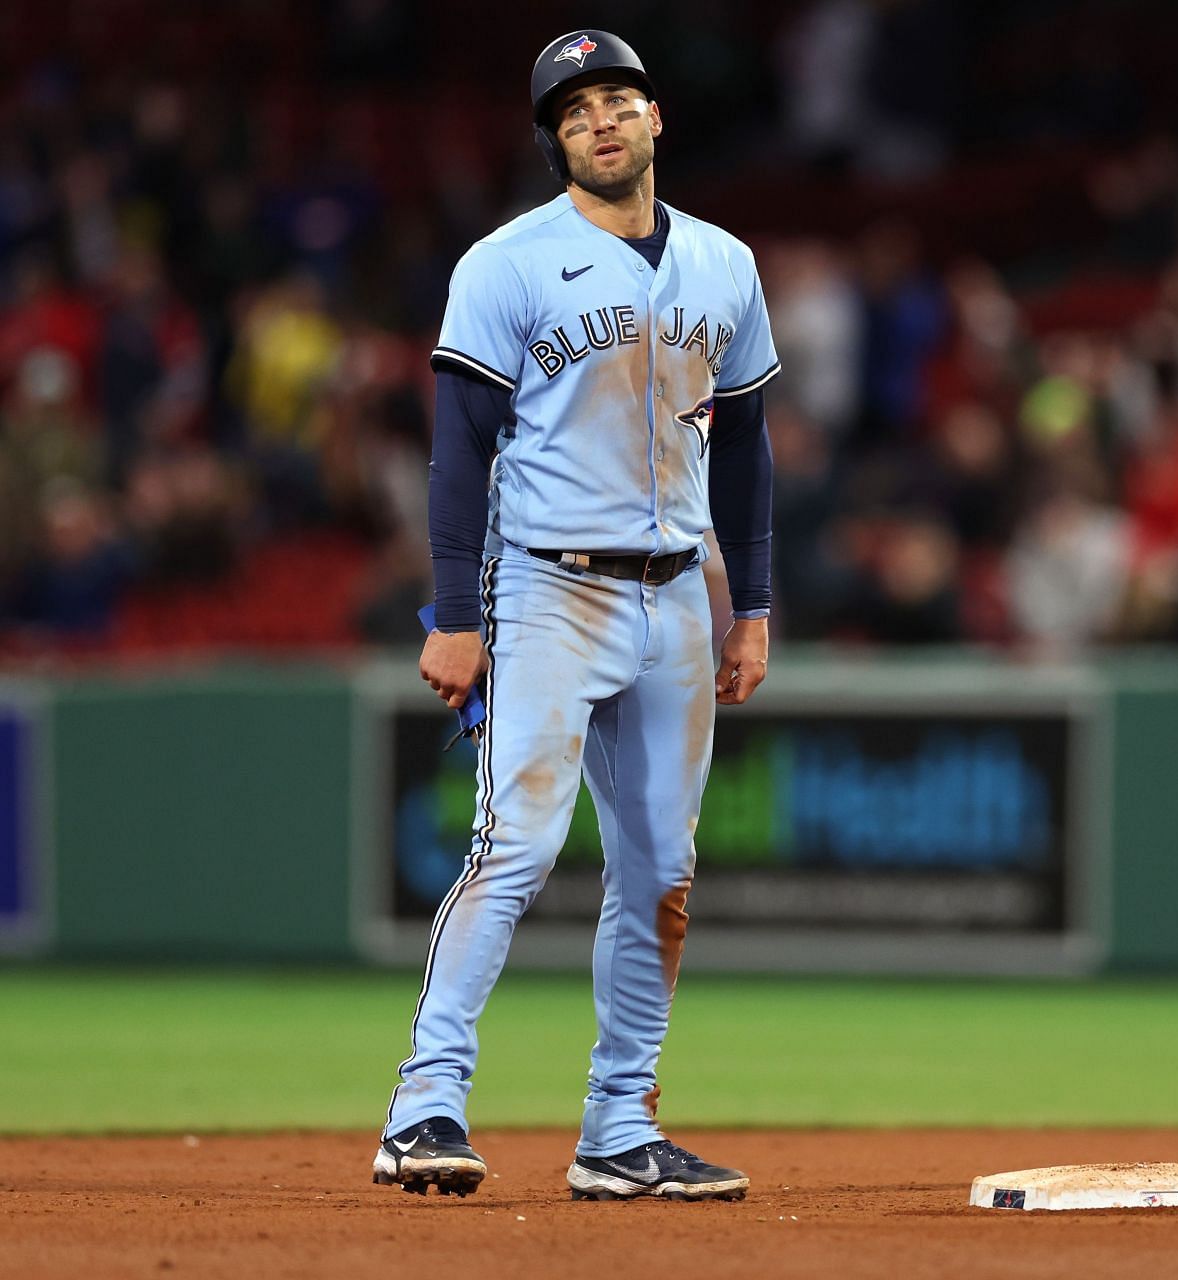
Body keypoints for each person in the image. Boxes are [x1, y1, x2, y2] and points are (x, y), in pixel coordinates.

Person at [373, 29, 778, 1203]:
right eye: (575, 109)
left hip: (676, 598)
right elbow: (459, 452)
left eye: (619, 100)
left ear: (659, 120)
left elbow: (746, 444)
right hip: (545, 582)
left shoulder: (724, 264)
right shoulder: (507, 261)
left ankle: (619, 1129)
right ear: (556, 140)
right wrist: (458, 613)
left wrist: (749, 604)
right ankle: (426, 1103)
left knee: (660, 869)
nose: (600, 120)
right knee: (518, 847)